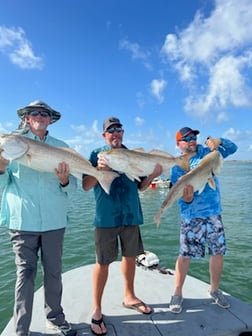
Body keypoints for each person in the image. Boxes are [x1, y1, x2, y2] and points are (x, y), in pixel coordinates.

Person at [0, 100, 77, 336]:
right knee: (25, 274)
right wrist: (1, 167)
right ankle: (21, 329)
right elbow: (3, 185)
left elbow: (72, 188)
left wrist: (64, 180)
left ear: (50, 119)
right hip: (22, 222)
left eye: (45, 113)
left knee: (54, 272)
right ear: (26, 118)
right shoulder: (12, 145)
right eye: (35, 112)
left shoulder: (62, 148)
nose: (40, 116)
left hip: (54, 221)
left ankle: (55, 318)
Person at [82, 117, 162, 336]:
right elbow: (86, 186)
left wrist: (154, 174)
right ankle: (97, 309)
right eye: (110, 131)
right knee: (103, 262)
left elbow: (142, 187)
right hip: (106, 218)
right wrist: (98, 170)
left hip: (131, 215)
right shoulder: (96, 154)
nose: (115, 133)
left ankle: (129, 296)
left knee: (130, 258)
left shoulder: (133, 155)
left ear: (123, 133)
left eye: (118, 130)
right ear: (104, 135)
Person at [169, 126, 238, 314]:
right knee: (184, 255)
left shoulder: (209, 152)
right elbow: (182, 199)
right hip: (191, 216)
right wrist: (188, 198)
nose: (192, 139)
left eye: (194, 137)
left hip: (214, 213)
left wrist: (219, 140)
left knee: (218, 252)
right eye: (187, 138)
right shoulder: (177, 166)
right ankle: (177, 292)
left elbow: (233, 149)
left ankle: (214, 290)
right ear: (178, 144)